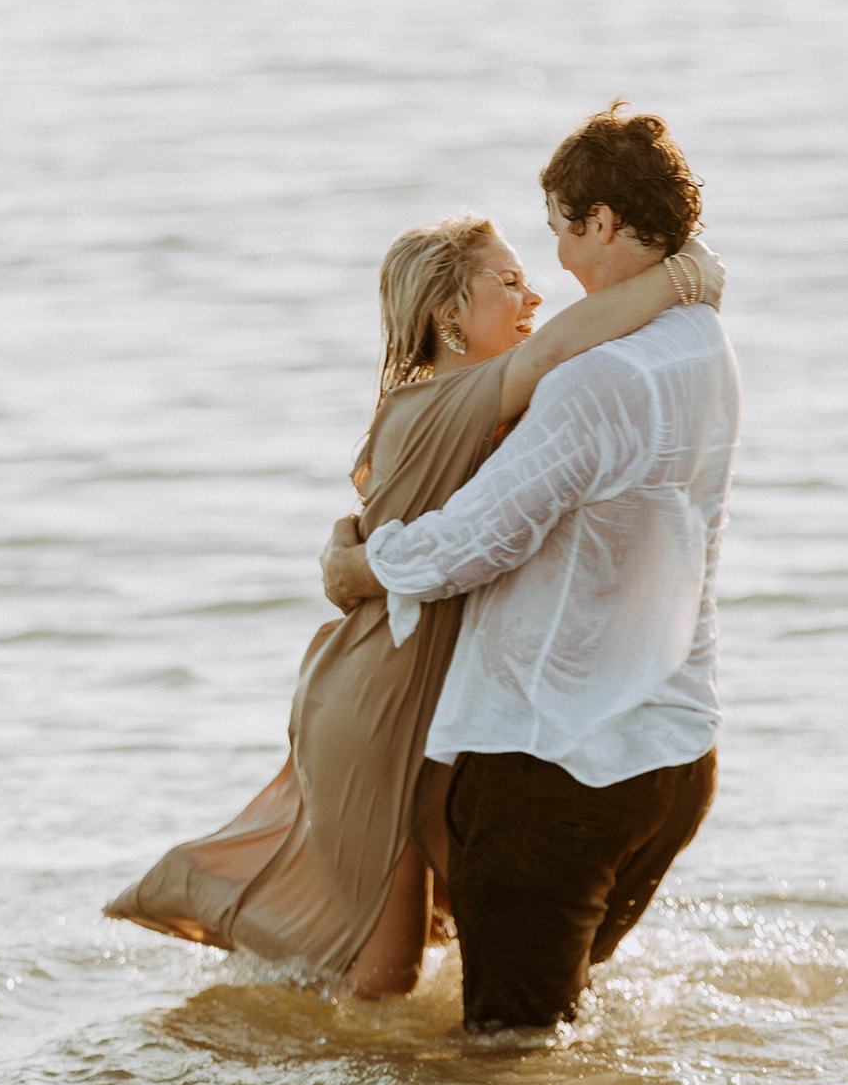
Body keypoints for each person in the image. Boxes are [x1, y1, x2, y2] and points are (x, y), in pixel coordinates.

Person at [105, 195, 724, 999]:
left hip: (403, 685)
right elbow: (565, 344)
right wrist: (691, 275)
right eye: (507, 281)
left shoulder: (462, 399)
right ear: (448, 314)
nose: (533, 297)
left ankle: (326, 1023)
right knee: (385, 974)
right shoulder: (454, 396)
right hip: (379, 701)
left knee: (459, 900)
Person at [321, 105, 740, 1027]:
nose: (555, 265)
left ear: (601, 222)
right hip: (673, 757)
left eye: (558, 231)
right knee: (556, 1029)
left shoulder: (596, 380)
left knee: (502, 1063)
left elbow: (471, 542)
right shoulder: (703, 346)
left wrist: (358, 568)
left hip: (556, 768)